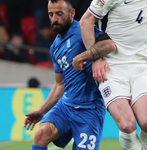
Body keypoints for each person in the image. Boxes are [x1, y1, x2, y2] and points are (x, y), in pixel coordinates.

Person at [75, 0, 147, 150]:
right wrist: (96, 58)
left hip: (140, 65)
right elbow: (86, 21)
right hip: (111, 67)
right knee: (127, 125)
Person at [24, 0, 116, 150]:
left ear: (71, 13)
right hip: (66, 106)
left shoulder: (83, 30)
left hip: (90, 109)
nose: (54, 19)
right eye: (51, 14)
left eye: (59, 14)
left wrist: (83, 56)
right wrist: (41, 111)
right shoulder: (55, 47)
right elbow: (60, 84)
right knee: (41, 134)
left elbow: (109, 45)